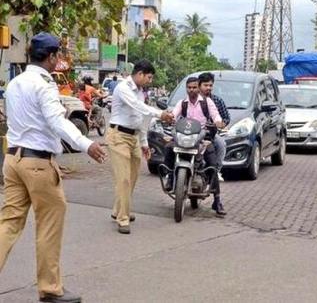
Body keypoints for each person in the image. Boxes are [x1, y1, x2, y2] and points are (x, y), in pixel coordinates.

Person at [0, 32, 106, 303]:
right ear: (51, 57)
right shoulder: (44, 85)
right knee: (49, 224)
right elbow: (57, 121)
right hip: (38, 164)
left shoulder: (15, 83)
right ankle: (50, 288)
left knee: (9, 223)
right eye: (57, 55)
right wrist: (86, 144)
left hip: (12, 160)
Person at [107, 59, 173, 234]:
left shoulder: (141, 93)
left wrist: (144, 143)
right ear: (140, 74)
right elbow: (138, 107)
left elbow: (142, 119)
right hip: (118, 136)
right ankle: (123, 218)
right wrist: (161, 114)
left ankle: (118, 209)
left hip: (134, 137)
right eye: (149, 77)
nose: (149, 81)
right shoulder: (123, 88)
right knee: (124, 179)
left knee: (133, 177)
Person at [164, 77, 227, 216]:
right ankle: (170, 177)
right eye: (189, 88)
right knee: (168, 148)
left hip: (202, 138)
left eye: (194, 87)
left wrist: (218, 122)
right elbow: (174, 115)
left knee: (212, 165)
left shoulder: (206, 102)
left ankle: (217, 200)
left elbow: (216, 115)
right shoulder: (182, 103)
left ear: (198, 88)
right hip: (184, 137)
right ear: (186, 89)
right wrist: (169, 118)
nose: (192, 90)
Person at [198, 72, 230, 181]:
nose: (208, 88)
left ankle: (216, 171)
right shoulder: (191, 101)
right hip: (193, 134)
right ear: (199, 85)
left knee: (221, 144)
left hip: (211, 135)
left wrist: (221, 124)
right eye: (205, 85)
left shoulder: (217, 101)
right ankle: (173, 174)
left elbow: (225, 118)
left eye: (210, 85)